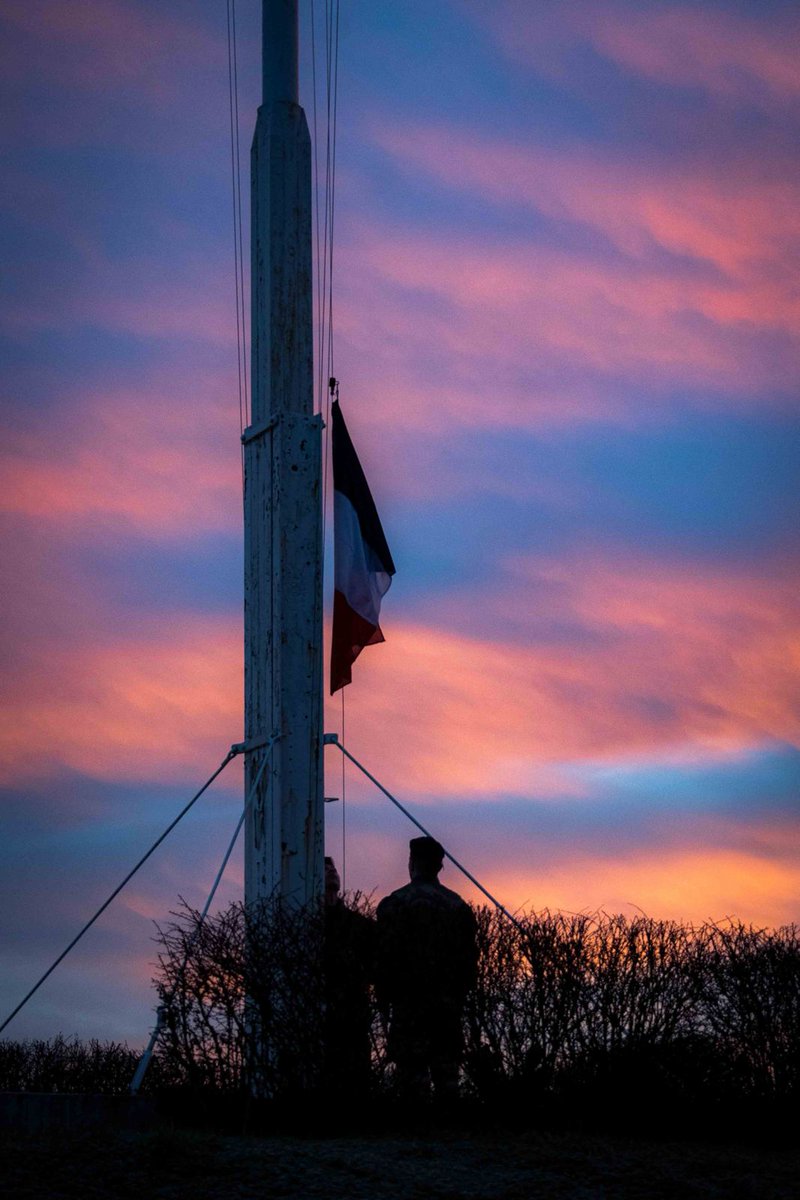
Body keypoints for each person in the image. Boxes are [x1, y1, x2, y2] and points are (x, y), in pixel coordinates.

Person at [376, 836, 478, 1100]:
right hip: (447, 1007)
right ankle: (449, 1135)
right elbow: (468, 964)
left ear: (412, 863)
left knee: (412, 1079)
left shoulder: (395, 904)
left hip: (408, 1006)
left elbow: (384, 958)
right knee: (448, 1081)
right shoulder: (457, 907)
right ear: (439, 867)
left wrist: (385, 996)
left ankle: (416, 1135)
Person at [323, 856, 376, 1098]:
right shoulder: (305, 924)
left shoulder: (359, 925)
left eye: (333, 868)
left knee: (356, 1073)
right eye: (324, 868)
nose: (331, 872)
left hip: (354, 1012)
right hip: (320, 1012)